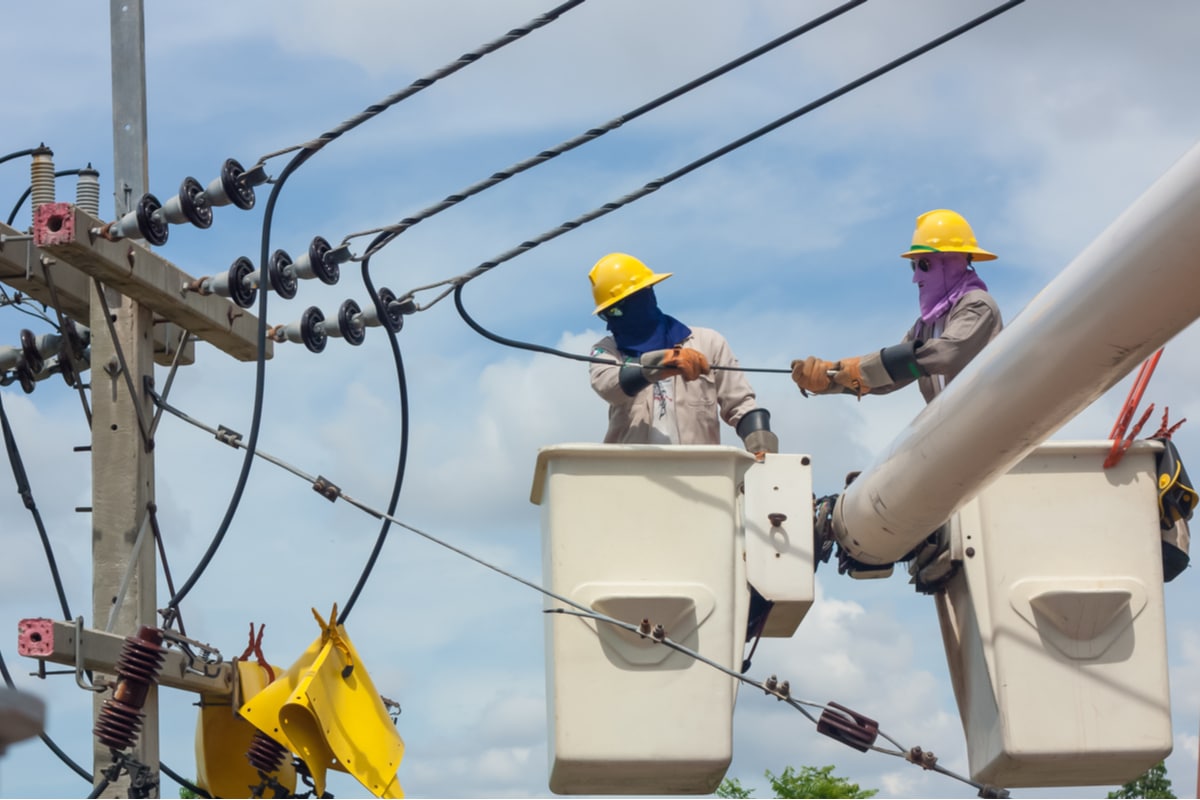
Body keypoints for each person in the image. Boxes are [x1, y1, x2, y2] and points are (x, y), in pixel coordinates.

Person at [791, 209, 1002, 402]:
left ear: (952, 262)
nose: (916, 277)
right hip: (957, 430)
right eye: (913, 266)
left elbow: (945, 354)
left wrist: (860, 370)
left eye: (924, 264)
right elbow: (892, 376)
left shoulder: (978, 306)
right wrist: (832, 378)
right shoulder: (924, 327)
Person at [587, 252, 778, 455]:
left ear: (644, 297)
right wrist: (664, 362)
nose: (610, 323)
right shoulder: (607, 351)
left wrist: (763, 450)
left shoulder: (708, 343)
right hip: (632, 475)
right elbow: (610, 387)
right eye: (605, 314)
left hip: (696, 475)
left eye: (615, 311)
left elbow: (741, 405)